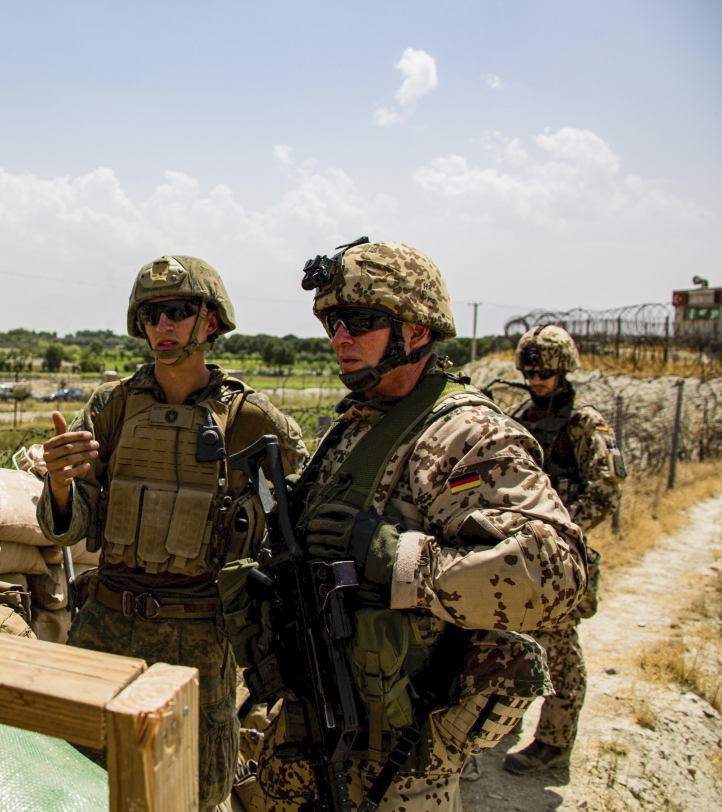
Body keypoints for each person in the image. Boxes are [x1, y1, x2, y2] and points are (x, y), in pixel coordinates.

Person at [230, 238, 588, 812]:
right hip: (308, 722)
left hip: (397, 762)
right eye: (333, 324)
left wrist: (397, 558)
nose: (341, 339)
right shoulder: (361, 421)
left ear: (417, 332)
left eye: (360, 321)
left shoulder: (466, 434)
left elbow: (556, 574)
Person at [38, 255, 308, 810]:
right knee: (77, 779)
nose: (163, 326)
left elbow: (292, 532)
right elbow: (73, 523)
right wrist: (62, 488)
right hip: (109, 623)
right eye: (152, 314)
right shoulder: (112, 407)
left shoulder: (254, 421)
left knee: (192, 792)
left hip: (199, 639)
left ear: (210, 322)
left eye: (178, 311)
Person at [502, 325, 626, 775]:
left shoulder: (583, 423)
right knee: (510, 637)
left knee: (559, 647)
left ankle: (553, 743)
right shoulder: (520, 417)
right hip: (518, 549)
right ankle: (505, 720)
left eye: (546, 373)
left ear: (564, 370)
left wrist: (559, 524)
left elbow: (606, 491)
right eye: (530, 372)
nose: (536, 381)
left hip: (560, 553)